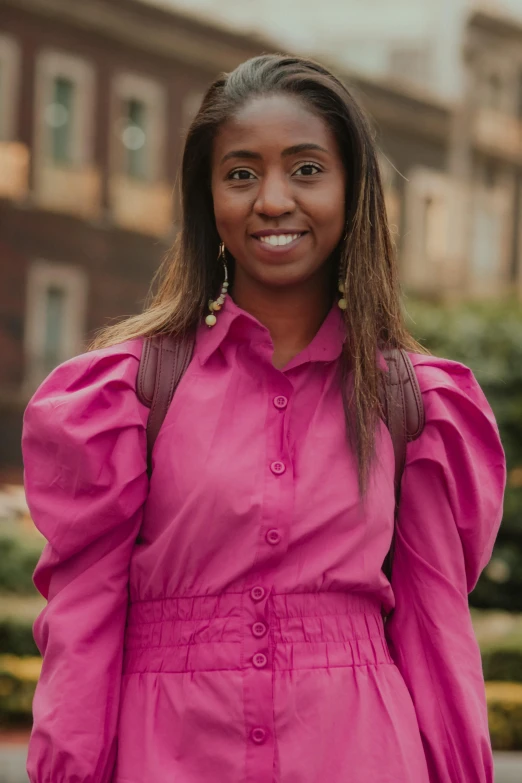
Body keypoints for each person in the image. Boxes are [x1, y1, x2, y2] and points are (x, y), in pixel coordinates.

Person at [22, 55, 506, 783]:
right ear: (207, 196)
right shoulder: (129, 394)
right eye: (241, 173)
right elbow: (83, 625)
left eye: (307, 169)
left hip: (361, 753)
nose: (273, 199)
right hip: (169, 756)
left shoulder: (415, 404)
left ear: (352, 190)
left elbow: (437, 630)